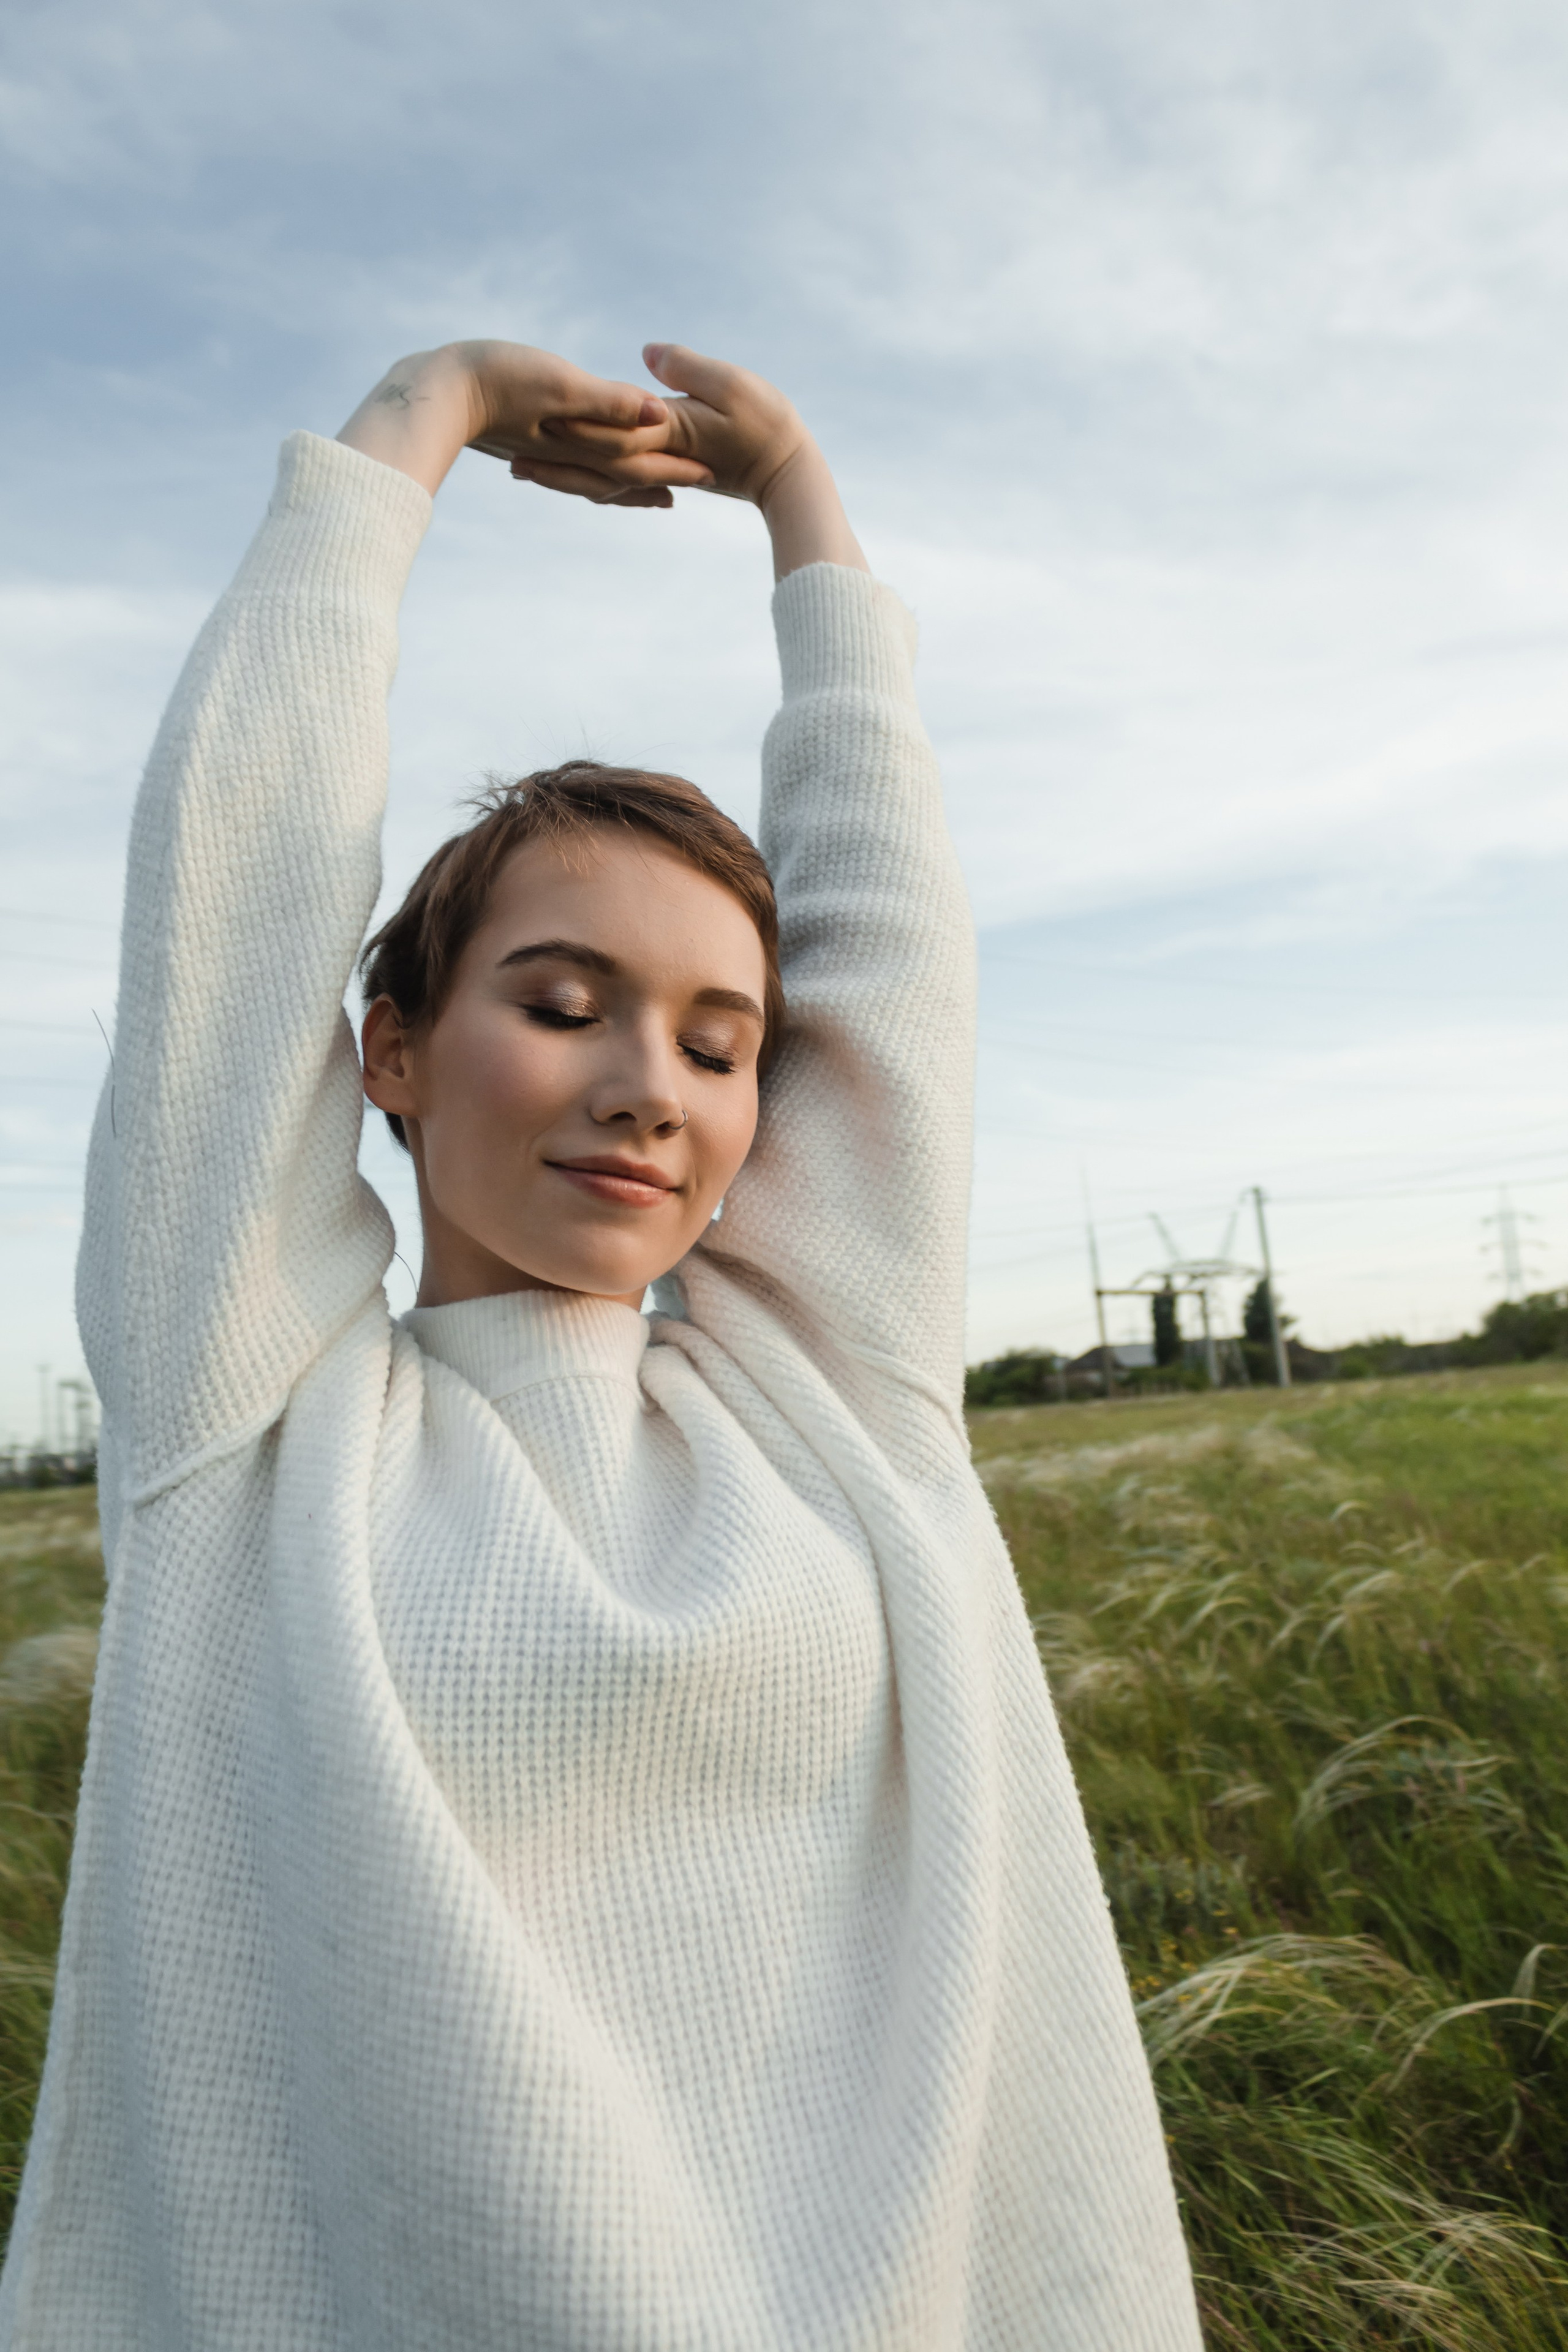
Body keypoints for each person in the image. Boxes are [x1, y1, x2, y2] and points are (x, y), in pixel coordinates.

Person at [0, 339, 1202, 2349]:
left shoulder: (834, 1409)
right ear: (391, 1048)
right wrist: (416, 427)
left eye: (719, 1043)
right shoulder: (260, 1436)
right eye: (562, 1004)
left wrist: (804, 502)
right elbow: (234, 886)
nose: (651, 1084)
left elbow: (891, 949)